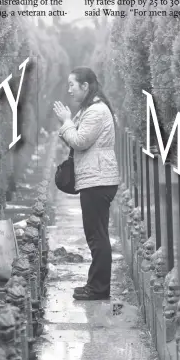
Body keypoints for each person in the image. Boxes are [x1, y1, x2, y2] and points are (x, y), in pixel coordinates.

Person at [53, 67, 120, 300]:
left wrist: (66, 121)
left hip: (97, 180)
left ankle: (99, 289)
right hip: (95, 178)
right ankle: (95, 285)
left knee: (97, 236)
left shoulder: (96, 111)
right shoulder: (90, 109)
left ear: (86, 86)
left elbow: (80, 141)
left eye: (72, 84)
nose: (69, 89)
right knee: (95, 234)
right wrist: (69, 122)